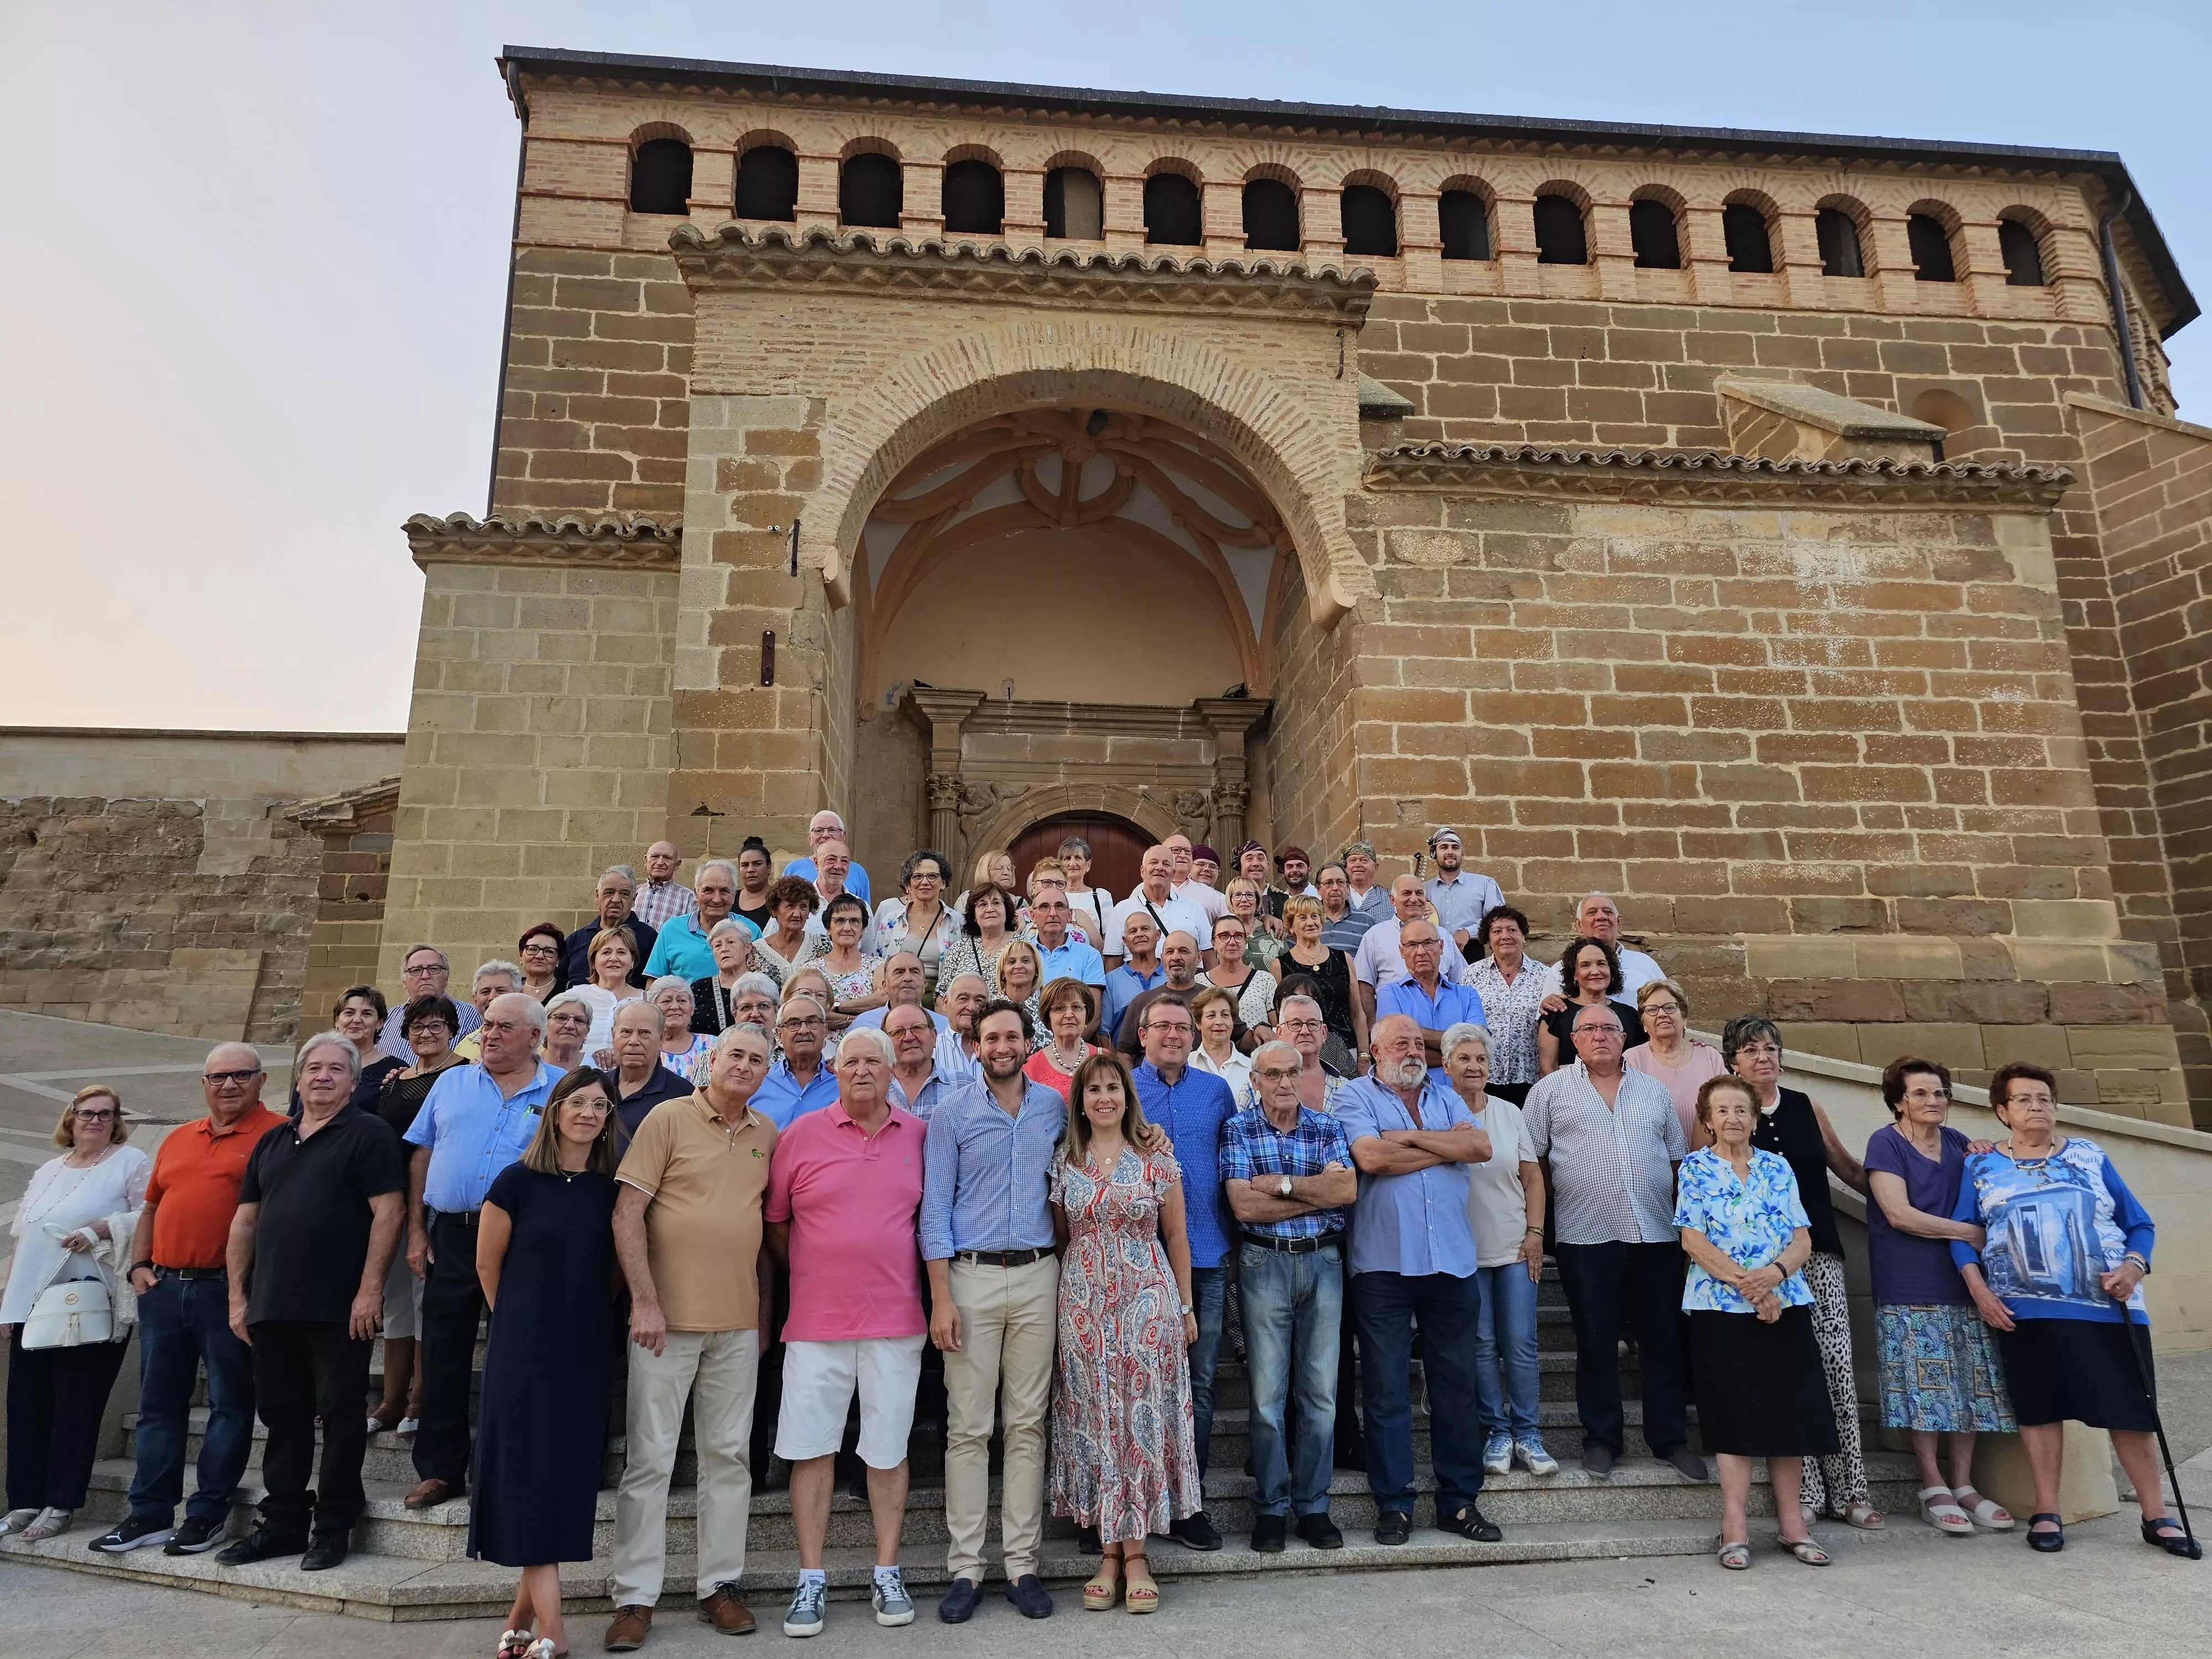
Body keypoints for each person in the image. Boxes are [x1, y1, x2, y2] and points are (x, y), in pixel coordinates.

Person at [1952, 1061, 2193, 1557]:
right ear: (2002, 1111)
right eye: (2023, 1100)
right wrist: (1979, 1289)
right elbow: (1961, 1234)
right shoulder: (1978, 1166)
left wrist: (2133, 1267)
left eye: (2044, 1098)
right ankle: (2047, 1509)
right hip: (2024, 1312)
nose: (2036, 1107)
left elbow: (2139, 1224)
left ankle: (2156, 1514)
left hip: (2108, 1308)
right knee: (2040, 1410)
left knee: (2131, 1412)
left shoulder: (2089, 1155)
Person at [606, 1025, 781, 1648]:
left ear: (767, 1073)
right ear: (712, 1059)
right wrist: (645, 1302)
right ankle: (634, 1598)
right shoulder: (666, 1119)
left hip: (735, 1326)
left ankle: (719, 1587)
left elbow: (761, 1230)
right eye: (736, 1054)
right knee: (650, 1461)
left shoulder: (766, 1134)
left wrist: (760, 1317)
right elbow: (627, 1213)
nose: (744, 1066)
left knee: (729, 1460)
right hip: (665, 1324)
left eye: (757, 1060)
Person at [218, 1033, 405, 1569]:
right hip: (273, 1305)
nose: (322, 1077)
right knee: (283, 1418)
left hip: (339, 1307)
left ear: (353, 1081)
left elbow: (389, 1214)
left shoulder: (368, 1135)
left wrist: (370, 1290)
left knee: (342, 1417)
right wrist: (237, 1297)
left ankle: (333, 1525)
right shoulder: (273, 1141)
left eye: (335, 1070)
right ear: (298, 1080)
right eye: (313, 1069)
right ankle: (282, 1524)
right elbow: (245, 1222)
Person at [765, 1027, 928, 1636]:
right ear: (835, 1071)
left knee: (887, 1449)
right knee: (812, 1450)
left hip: (896, 1319)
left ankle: (886, 1571)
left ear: (892, 1070)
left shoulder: (918, 1135)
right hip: (815, 1321)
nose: (861, 1070)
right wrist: (817, 1270)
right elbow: (776, 1224)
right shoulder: (799, 1136)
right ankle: (810, 1581)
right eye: (850, 1062)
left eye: (872, 1061)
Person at [90, 1052, 283, 1556]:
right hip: (164, 1289)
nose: (230, 1084)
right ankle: (149, 1514)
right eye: (219, 1076)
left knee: (230, 1407)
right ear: (204, 1083)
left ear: (262, 1081)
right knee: (157, 1407)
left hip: (229, 1290)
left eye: (242, 1075)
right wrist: (138, 1265)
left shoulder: (279, 1132)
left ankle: (206, 1515)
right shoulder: (179, 1137)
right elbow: (151, 1206)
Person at [921, 1002, 1066, 1621]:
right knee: (969, 1428)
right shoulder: (951, 1113)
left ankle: (1023, 1564)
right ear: (975, 1045)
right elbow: (933, 1211)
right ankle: (965, 1569)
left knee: (1029, 1424)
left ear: (1027, 1042)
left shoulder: (1052, 1108)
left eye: (1012, 1036)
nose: (1002, 1046)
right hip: (971, 1277)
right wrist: (941, 1299)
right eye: (991, 1037)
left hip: (1038, 1275)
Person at [472, 1067, 623, 1659]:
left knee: (562, 1478)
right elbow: (489, 1268)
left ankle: (519, 1618)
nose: (588, 1113)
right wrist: (525, 1321)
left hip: (583, 1347)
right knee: (529, 1477)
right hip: (523, 1348)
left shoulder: (611, 1189)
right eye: (577, 1102)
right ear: (555, 1110)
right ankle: (554, 1633)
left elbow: (611, 1274)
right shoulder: (515, 1183)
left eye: (600, 1105)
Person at [1047, 1052, 1202, 1614]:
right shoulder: (1065, 1159)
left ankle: (1134, 1555)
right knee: (1096, 1419)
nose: (1104, 1097)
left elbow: (1178, 1236)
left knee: (1138, 1417)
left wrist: (1185, 1307)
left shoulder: (1155, 1157)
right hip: (1085, 1307)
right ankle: (1107, 1552)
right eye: (1094, 1090)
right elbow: (1064, 1236)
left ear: (1126, 1096)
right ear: (1081, 1102)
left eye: (1113, 1087)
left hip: (1147, 1300)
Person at [1335, 1015, 1498, 1544]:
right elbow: (1371, 1158)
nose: (1411, 1049)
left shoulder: (1447, 1095)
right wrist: (1438, 1146)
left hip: (1451, 1261)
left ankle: (1458, 1502)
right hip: (1382, 1264)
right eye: (1399, 1042)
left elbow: (1479, 1149)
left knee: (1456, 1385)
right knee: (1386, 1388)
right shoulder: (1353, 1096)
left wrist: (1405, 1136)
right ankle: (1395, 1504)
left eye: (1416, 1041)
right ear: (1375, 1050)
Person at [1524, 1002, 1698, 1479]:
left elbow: (1676, 1162)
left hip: (1656, 1233)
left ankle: (1670, 1440)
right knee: (1596, 1342)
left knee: (1663, 1339)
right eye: (1588, 1029)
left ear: (1625, 1038)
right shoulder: (1548, 1092)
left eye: (1609, 1028)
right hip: (1585, 1235)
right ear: (1574, 1040)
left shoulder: (1653, 1091)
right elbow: (1533, 1163)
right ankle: (1602, 1440)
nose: (1600, 1035)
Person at [401, 993, 558, 1512]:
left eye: (503, 1027)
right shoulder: (451, 1081)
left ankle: (509, 1464)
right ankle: (441, 1471)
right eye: (487, 1025)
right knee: (444, 1353)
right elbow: (422, 1153)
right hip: (452, 1234)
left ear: (534, 1037)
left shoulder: (561, 1089)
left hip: (524, 1243)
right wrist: (418, 1232)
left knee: (519, 1355)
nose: (489, 1035)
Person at [1674, 1075, 1838, 1571]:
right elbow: (1693, 1240)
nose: (1732, 1118)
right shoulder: (1695, 1169)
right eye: (1721, 1110)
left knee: (1789, 1416)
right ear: (1707, 1119)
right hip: (1720, 1308)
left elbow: (1802, 1238)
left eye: (1741, 1110)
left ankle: (1793, 1524)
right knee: (1734, 1418)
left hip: (1784, 1302)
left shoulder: (1777, 1166)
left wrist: (1772, 1279)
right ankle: (1735, 1524)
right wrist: (1749, 1285)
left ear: (1755, 1116)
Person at [1723, 1015, 1878, 1530]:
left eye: (1771, 1048)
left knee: (1836, 1369)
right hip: (1762, 1268)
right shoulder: (1727, 1114)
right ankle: (1806, 1492)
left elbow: (1847, 1166)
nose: (1764, 1057)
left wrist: (1908, 1190)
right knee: (1789, 1373)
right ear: (1732, 1061)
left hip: (1819, 1257)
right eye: (1751, 1050)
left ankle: (1851, 1490)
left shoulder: (1805, 1107)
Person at [1863, 1057, 2015, 1536]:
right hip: (1909, 1284)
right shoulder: (1885, 1143)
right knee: (1925, 1390)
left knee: (1968, 1387)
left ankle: (1965, 1484)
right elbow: (1900, 1214)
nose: (1934, 1101)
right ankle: (1933, 1484)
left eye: (1940, 1093)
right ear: (1899, 1101)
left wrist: (1990, 1150)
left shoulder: (1958, 1144)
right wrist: (1968, 1232)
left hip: (1965, 1281)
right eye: (1922, 1094)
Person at [1220, 1041, 1357, 1551]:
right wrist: (1308, 1190)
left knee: (1320, 1393)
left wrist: (1276, 1186)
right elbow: (1241, 1206)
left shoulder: (1326, 1127)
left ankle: (1314, 1506)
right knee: (1266, 1396)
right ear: (1254, 1081)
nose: (1283, 1082)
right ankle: (1273, 1507)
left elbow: (1345, 1193)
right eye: (1272, 1074)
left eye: (1291, 1073)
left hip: (1323, 1261)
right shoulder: (1238, 1129)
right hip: (1264, 1263)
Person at [1, 1086, 150, 1544]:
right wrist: (8, 1301)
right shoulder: (49, 1169)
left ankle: (61, 1502)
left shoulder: (131, 1161)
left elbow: (150, 1214)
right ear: (71, 1118)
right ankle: (25, 1501)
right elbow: (22, 1238)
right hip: (33, 1303)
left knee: (76, 1405)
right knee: (27, 1405)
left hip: (89, 1303)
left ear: (116, 1120)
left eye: (106, 1114)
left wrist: (102, 1228)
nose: (95, 1120)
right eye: (86, 1113)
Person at [1129, 996, 1236, 1549]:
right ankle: (1133, 1499)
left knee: (1198, 1382)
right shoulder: (1119, 1089)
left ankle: (1187, 1505)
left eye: (1182, 1027)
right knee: (1137, 1382)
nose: (1172, 1034)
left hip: (1207, 1255)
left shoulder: (1215, 1091)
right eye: (1162, 1026)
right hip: (1136, 1261)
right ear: (1143, 1033)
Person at [1440, 1025, 1556, 1480]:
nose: (1474, 1067)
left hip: (1513, 1245)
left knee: (1522, 1344)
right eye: (1464, 1059)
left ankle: (1529, 1434)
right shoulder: (1437, 1111)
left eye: (1481, 1060)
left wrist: (1535, 1233)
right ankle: (1497, 1432)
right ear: (1446, 1065)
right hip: (1462, 1249)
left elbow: (1532, 1178)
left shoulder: (1510, 1112)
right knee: (1483, 1345)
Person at [370, 996, 464, 1436]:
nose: (426, 1034)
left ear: (452, 1030)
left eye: (436, 1026)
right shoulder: (394, 1081)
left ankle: (419, 1398)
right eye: (417, 1027)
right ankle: (390, 1399)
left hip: (431, 1202)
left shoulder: (464, 1074)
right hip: (391, 1201)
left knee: (425, 1300)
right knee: (396, 1302)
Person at [1376, 920, 1486, 1086]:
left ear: (1441, 947)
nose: (1421, 952)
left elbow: (1478, 1044)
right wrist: (1460, 1052)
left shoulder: (1467, 994)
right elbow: (1397, 1051)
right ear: (1402, 951)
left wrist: (1415, 1035)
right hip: (1413, 1100)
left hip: (1462, 1099)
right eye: (1412, 945)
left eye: (1428, 943)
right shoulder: (1390, 994)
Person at [1462, 906, 1549, 1106]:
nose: (1505, 936)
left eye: (1512, 930)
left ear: (1523, 936)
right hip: (1484, 1074)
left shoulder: (1544, 975)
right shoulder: (1472, 974)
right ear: (1488, 939)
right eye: (1497, 931)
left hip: (1530, 1075)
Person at [1624, 979, 1726, 1144]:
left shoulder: (1710, 1056)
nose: (1662, 1014)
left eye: (1670, 1007)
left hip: (1708, 1162)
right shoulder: (1632, 1060)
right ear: (1644, 1024)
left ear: (1684, 1018)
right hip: (1657, 1161)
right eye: (1652, 1010)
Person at [1354, 874, 1469, 1011]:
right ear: (1392, 900)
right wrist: (1372, 1024)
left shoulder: (1443, 935)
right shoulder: (1375, 936)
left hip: (1443, 1022)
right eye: (1406, 893)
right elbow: (1364, 986)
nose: (1414, 899)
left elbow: (1462, 980)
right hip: (1394, 1023)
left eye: (1419, 893)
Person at [1280, 893, 1365, 1072]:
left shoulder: (1344, 959)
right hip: (1301, 1051)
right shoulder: (1280, 965)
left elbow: (1357, 1012)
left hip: (1346, 1049)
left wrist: (1364, 1055)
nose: (1311, 922)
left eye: (1315, 916)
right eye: (1303, 918)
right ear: (1291, 927)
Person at [1537, 937, 1646, 1074]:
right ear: (1575, 975)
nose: (1595, 971)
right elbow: (1547, 1069)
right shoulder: (1555, 1015)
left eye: (1601, 964)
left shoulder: (1630, 1015)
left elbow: (1642, 1064)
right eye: (1585, 965)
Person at [865, 849, 962, 990]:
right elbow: (876, 962)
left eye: (932, 876)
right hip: (899, 994)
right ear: (909, 884)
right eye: (917, 876)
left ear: (943, 883)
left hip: (943, 998)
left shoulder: (959, 922)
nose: (925, 882)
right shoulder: (891, 921)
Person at [645, 859, 749, 985]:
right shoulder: (671, 930)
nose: (716, 899)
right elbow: (654, 983)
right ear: (696, 893)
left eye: (724, 891)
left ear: (733, 895)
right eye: (708, 890)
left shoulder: (750, 930)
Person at [1105, 845, 1213, 966]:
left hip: (1189, 982)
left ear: (1173, 874)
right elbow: (1112, 966)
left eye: (1166, 864)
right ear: (1143, 871)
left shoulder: (1194, 908)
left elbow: (1210, 959)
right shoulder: (1122, 910)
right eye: (1154, 863)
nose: (1160, 868)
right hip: (1139, 983)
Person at [1541, 893, 1662, 999]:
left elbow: (1673, 1006)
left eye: (1608, 912)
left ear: (1619, 923)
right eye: (1592, 912)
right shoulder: (1560, 970)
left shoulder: (1645, 964)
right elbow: (1549, 1018)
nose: (1601, 917)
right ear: (1579, 925)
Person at [378, 945, 486, 1060]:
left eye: (434, 969)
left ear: (446, 978)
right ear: (404, 981)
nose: (425, 976)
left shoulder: (469, 1016)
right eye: (416, 970)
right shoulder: (390, 1017)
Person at [607, 998, 695, 1136]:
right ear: (613, 1036)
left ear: (662, 1039)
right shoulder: (598, 1086)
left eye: (645, 1033)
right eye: (626, 1032)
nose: (634, 1041)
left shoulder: (682, 1094)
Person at [560, 874, 659, 995]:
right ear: (597, 896)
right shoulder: (576, 939)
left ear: (634, 900)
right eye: (609, 892)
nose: (616, 900)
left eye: (624, 894)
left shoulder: (651, 939)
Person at [1114, 929, 1205, 1060]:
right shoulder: (1142, 1002)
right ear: (1163, 959)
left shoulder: (1213, 1000)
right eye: (1169, 952)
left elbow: (1239, 1041)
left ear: (1199, 958)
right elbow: (1125, 1054)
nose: (1175, 957)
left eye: (1183, 951)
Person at [752, 994, 839, 1128]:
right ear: (780, 1034)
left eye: (812, 1022)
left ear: (825, 1031)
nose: (803, 1030)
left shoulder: (842, 1082)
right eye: (794, 1024)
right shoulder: (758, 1081)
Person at [1422, 828, 1503, 959]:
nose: (1450, 852)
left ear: (1463, 853)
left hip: (1471, 951)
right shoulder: (1423, 890)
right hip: (1433, 953)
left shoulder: (1485, 884)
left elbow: (1499, 919)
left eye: (1455, 847)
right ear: (1434, 853)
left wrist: (1468, 933)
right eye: (1444, 847)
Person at [1197, 914, 1277, 1040]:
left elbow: (1277, 1026)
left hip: (1256, 1054)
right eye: (1224, 936)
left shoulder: (1265, 979)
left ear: (1245, 941)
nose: (1232, 942)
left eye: (1239, 936)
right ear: (1213, 943)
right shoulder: (1199, 982)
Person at [1024, 977, 1101, 1098]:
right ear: (1048, 1018)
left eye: (1076, 1007)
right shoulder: (1032, 1068)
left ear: (1087, 1015)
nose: (1069, 1015)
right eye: (1059, 1008)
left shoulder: (1104, 1059)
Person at [885, 1001, 964, 1119]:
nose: (909, 1037)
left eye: (917, 1028)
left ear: (934, 1037)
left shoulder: (964, 1086)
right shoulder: (873, 1090)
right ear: (885, 1044)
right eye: (898, 1032)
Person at [781, 808, 873, 910]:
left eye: (832, 830)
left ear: (843, 836)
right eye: (819, 831)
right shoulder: (793, 869)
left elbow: (864, 916)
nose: (825, 835)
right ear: (810, 838)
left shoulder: (858, 872)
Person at [571, 927, 644, 1054]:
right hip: (580, 1072)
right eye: (606, 952)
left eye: (621, 952)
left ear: (632, 961)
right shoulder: (574, 997)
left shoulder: (646, 1001)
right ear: (593, 961)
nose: (614, 958)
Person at [330, 986, 406, 1106]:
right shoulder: (315, 1064)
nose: (356, 1020)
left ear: (380, 1023)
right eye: (349, 1013)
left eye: (367, 1014)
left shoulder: (395, 1071)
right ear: (337, 1021)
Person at [1097, 910, 1164, 1045]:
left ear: (1157, 935)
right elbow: (1103, 1033)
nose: (1139, 934)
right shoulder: (1111, 980)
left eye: (1145, 929)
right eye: (1133, 931)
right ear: (1125, 941)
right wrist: (1117, 1064)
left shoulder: (1171, 976)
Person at [1029, 888, 1107, 996]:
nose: (1053, 913)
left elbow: (1093, 1010)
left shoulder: (1089, 956)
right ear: (1033, 916)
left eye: (1059, 906)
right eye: (1045, 907)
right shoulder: (1021, 954)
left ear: (1070, 915)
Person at [688, 921, 761, 1035]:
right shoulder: (698, 989)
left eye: (731, 943)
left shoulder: (763, 987)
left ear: (747, 948)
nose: (724, 949)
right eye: (718, 946)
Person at [753, 876, 825, 985]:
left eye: (803, 907)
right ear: (774, 911)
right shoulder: (756, 951)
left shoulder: (821, 945)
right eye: (790, 906)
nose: (797, 914)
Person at [1187, 984, 1253, 1102]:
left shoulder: (1251, 1067)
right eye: (1211, 1016)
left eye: (1225, 1015)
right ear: (1198, 1023)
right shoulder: (1186, 1065)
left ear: (1233, 1022)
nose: (1219, 1022)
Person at [450, 961, 525, 1062]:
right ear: (475, 999)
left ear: (520, 995)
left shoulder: (533, 1040)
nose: (492, 997)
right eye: (485, 992)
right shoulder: (465, 1045)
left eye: (501, 991)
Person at [646, 977, 714, 1081]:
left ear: (692, 1009)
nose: (675, 1006)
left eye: (682, 1001)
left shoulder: (713, 1044)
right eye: (666, 1001)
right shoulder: (644, 1046)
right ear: (652, 1009)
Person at [1056, 836, 1114, 946]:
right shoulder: (1053, 896)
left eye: (1078, 858)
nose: (1072, 864)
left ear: (1088, 865)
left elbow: (1110, 939)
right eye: (1067, 858)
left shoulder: (1101, 896)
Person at [1314, 863, 1380, 956]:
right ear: (1318, 889)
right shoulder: (1308, 921)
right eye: (1329, 883)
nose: (1335, 888)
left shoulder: (1367, 922)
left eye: (1340, 882)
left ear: (1348, 886)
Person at [635, 839, 697, 931]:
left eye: (667, 858)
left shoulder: (689, 898)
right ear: (646, 861)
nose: (660, 863)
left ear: (677, 865)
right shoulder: (633, 893)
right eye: (655, 857)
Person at [1224, 877, 1288, 963]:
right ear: (1230, 901)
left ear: (1257, 901)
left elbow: (1288, 967)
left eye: (1250, 895)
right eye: (1238, 895)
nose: (1244, 900)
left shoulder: (1272, 929)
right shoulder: (1222, 931)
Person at [542, 989, 594, 1072]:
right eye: (561, 1018)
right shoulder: (528, 1065)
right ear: (545, 1024)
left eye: (579, 1020)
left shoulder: (597, 1069)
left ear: (587, 1031)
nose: (570, 1026)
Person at [734, 837, 777, 935]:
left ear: (769, 867)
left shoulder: (780, 900)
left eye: (757, 864)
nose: (750, 870)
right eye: (745, 865)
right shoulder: (730, 899)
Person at [517, 924, 566, 1002]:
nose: (540, 956)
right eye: (533, 949)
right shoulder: (510, 988)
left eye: (549, 951)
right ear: (521, 954)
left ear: (558, 960)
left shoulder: (570, 990)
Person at [1268, 845, 1318, 919]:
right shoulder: (1280, 902)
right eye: (1290, 867)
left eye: (1300, 866)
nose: (1294, 870)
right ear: (1284, 871)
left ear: (1309, 870)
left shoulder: (1320, 896)